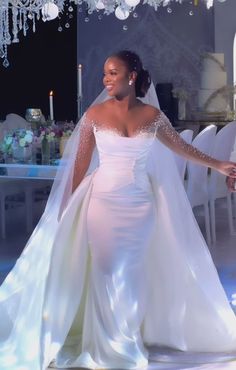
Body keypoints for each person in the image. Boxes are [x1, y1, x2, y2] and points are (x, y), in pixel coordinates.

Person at [0, 50, 236, 370]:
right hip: (103, 204)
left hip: (140, 206)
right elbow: (79, 168)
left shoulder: (152, 116)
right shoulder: (95, 115)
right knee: (107, 269)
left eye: (114, 73)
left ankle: (127, 335)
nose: (107, 79)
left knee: (131, 273)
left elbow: (184, 149)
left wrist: (220, 164)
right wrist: (63, 212)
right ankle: (107, 344)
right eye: (105, 74)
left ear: (132, 77)